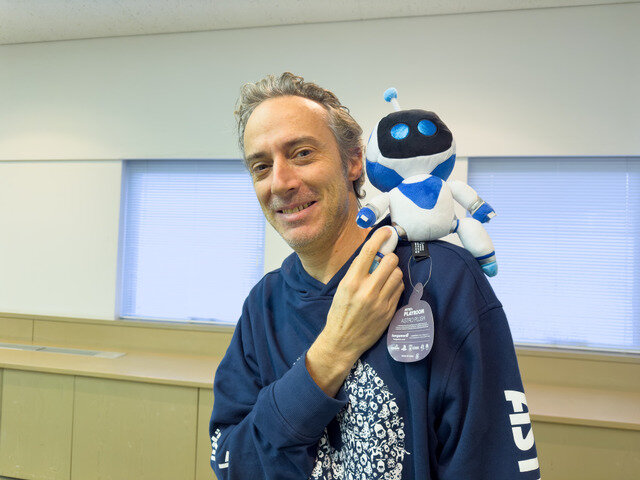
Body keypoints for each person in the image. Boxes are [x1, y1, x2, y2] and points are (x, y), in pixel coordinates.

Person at [209, 72, 540, 480]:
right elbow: (232, 464)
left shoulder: (442, 281)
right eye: (261, 166)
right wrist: (330, 353)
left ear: (354, 162)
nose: (280, 182)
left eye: (302, 154)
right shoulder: (263, 306)